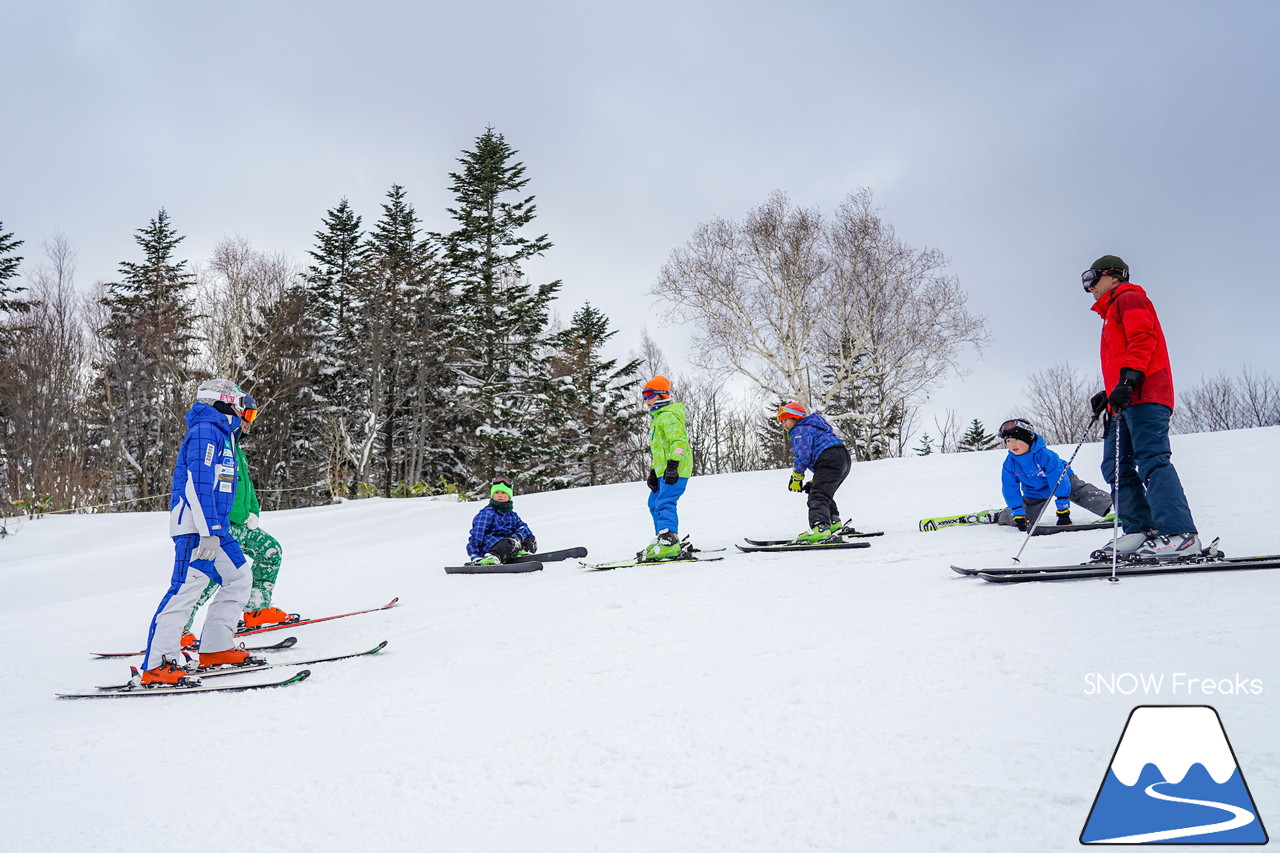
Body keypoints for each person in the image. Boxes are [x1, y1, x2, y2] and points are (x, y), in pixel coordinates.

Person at [139, 379, 256, 685]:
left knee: (239, 577)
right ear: (222, 402)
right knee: (186, 588)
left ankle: (216, 647)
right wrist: (208, 531)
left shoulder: (223, 434)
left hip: (216, 526)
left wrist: (217, 529)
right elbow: (198, 484)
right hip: (197, 528)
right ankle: (158, 664)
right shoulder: (205, 431)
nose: (241, 410)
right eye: (237, 403)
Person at [1083, 254, 1200, 559]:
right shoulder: (1111, 312)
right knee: (1114, 466)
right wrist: (1110, 392)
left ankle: (1179, 534)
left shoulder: (1129, 298)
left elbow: (1143, 339)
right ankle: (1140, 530)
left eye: (1092, 280)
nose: (1090, 288)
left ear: (1112, 276)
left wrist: (1130, 380)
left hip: (1146, 394)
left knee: (1152, 459)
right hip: (1124, 399)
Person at [180, 393, 291, 640]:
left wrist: (253, 511)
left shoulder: (236, 446)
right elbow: (202, 483)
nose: (249, 421)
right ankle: (180, 628)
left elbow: (246, 485)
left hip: (242, 523)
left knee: (271, 551)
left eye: (252, 416)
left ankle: (256, 610)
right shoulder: (218, 440)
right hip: (222, 524)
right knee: (212, 576)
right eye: (247, 415)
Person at [994, 418, 1112, 530]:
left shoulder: (1046, 455)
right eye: (1008, 441)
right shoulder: (1010, 463)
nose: (1012, 445)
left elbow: (1058, 479)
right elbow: (1010, 488)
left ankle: (1112, 508)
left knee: (1080, 492)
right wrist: (1017, 511)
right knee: (1024, 516)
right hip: (1034, 490)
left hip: (1064, 481)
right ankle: (1000, 515)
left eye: (1017, 440)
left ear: (1028, 440)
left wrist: (1063, 512)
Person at [777, 402, 852, 542]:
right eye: (782, 422)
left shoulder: (800, 430)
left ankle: (820, 528)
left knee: (817, 496)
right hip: (843, 459)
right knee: (821, 491)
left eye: (785, 420)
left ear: (795, 417)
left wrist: (797, 476)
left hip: (829, 458)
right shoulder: (814, 427)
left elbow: (803, 455)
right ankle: (833, 523)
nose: (784, 425)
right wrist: (816, 480)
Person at [639, 376, 693, 561]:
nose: (646, 400)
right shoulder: (657, 419)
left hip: (676, 469)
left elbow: (679, 442)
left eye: (649, 395)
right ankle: (663, 537)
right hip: (664, 471)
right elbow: (659, 450)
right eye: (644, 396)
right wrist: (654, 472)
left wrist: (673, 464)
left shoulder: (669, 415)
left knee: (665, 502)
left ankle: (669, 541)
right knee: (653, 503)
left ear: (662, 395)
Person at [466, 478, 537, 565]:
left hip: (509, 544)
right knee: (510, 542)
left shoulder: (512, 515)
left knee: (530, 538)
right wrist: (475, 555)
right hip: (491, 546)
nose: (500, 495)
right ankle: (492, 557)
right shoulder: (487, 514)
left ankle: (520, 552)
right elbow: (476, 536)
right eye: (496, 493)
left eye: (503, 493)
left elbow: (524, 528)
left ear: (509, 496)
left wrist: (516, 537)